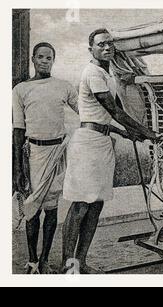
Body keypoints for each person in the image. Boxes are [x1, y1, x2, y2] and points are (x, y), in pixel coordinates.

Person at [62, 28, 157, 274]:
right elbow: (115, 112)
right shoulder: (92, 72)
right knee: (81, 205)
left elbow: (107, 115)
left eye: (110, 44)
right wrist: (147, 132)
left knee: (96, 205)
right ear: (91, 49)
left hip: (103, 142)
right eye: (102, 44)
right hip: (87, 144)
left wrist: (128, 133)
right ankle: (67, 266)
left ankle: (80, 262)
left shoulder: (108, 74)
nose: (107, 48)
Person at [12, 42, 79, 274]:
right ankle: (32, 261)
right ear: (33, 59)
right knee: (32, 211)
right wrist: (17, 170)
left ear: (53, 60)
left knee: (51, 210)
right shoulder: (20, 90)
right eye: (40, 57)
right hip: (33, 155)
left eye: (48, 57)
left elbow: (85, 109)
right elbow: (18, 130)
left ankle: (44, 260)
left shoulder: (63, 86)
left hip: (57, 155)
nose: (44, 61)